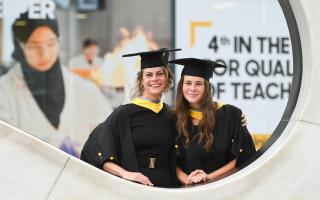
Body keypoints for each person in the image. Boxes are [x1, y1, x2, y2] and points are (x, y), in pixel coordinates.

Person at [0, 11, 112, 157]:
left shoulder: (85, 90)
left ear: (59, 41)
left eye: (51, 43)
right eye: (34, 46)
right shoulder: (4, 91)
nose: (45, 54)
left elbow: (110, 139)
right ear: (20, 46)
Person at [81, 48, 181, 188]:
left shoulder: (171, 115)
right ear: (141, 80)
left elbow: (179, 159)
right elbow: (97, 150)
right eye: (148, 75)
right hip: (135, 187)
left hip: (167, 186)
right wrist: (125, 174)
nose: (154, 78)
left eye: (159, 74)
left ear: (167, 78)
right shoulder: (124, 114)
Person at [169, 58, 256, 185]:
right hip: (187, 191)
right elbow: (169, 160)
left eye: (198, 84)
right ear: (181, 86)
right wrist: (189, 180)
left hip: (225, 187)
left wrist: (209, 178)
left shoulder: (230, 115)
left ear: (207, 88)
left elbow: (244, 155)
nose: (192, 88)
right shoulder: (173, 120)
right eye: (188, 83)